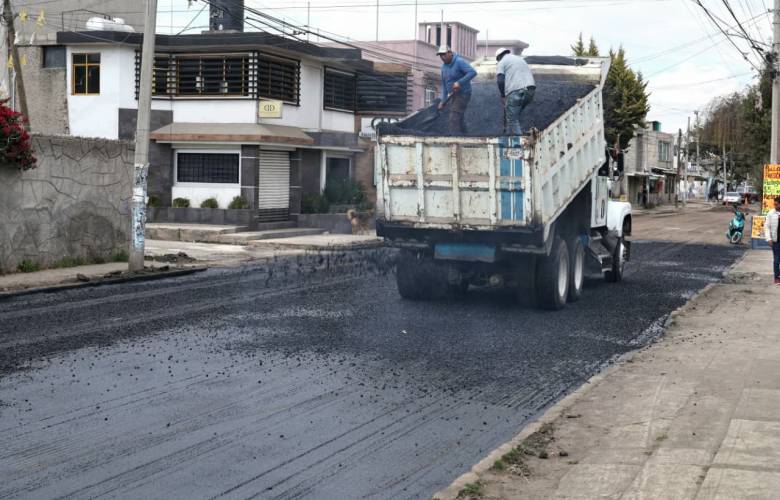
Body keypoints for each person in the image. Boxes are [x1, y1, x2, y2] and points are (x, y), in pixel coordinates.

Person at [437, 45, 477, 134]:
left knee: (454, 118)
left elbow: (473, 72)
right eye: (440, 55)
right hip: (453, 95)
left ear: (450, 53)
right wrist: (443, 101)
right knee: (459, 119)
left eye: (444, 54)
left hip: (463, 93)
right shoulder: (443, 67)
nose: (442, 57)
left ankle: (455, 142)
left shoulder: (459, 62)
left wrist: (459, 82)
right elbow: (444, 85)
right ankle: (466, 139)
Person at [495, 47, 535, 135]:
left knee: (512, 119)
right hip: (530, 90)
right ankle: (518, 133)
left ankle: (520, 142)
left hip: (517, 91)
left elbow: (500, 80)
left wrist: (503, 95)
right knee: (515, 115)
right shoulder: (520, 60)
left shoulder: (502, 62)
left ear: (498, 57)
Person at [765, 195, 780, 285]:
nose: (775, 206)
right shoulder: (771, 213)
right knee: (777, 260)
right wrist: (768, 239)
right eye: (774, 204)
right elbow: (766, 227)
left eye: (777, 204)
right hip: (776, 241)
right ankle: (777, 278)